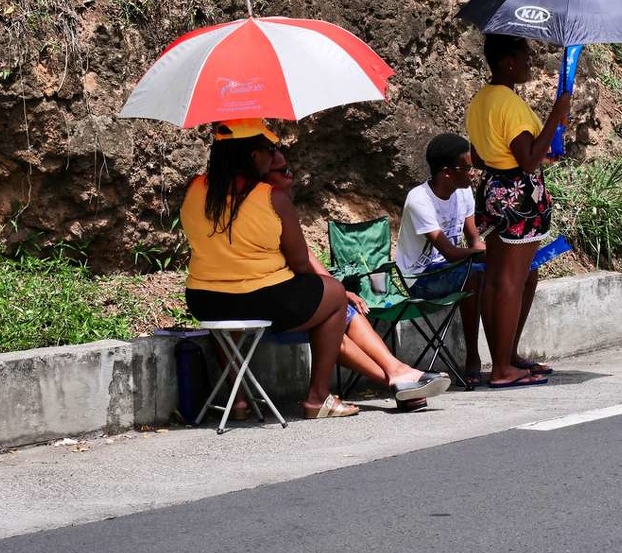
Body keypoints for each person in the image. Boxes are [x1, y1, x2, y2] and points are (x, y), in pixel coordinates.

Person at [180, 118, 358, 420]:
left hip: (205, 300)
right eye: (269, 149)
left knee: (228, 317)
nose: (273, 155)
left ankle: (238, 401)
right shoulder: (272, 197)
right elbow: (301, 263)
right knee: (336, 295)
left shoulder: (195, 188)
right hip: (264, 298)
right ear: (253, 156)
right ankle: (318, 398)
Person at [265, 149, 450, 411]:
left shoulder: (271, 206)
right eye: (283, 172)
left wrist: (339, 290)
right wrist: (337, 293)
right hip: (277, 302)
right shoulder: (268, 206)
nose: (290, 178)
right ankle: (396, 378)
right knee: (334, 318)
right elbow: (301, 261)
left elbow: (307, 257)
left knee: (342, 309)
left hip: (290, 298)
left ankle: (398, 376)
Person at [465, 34, 571, 389]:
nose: (530, 62)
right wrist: (556, 116)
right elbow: (527, 162)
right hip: (518, 198)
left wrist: (539, 149)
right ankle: (502, 369)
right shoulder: (509, 104)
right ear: (508, 62)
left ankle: (504, 359)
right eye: (525, 56)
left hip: (492, 190)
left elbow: (479, 156)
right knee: (511, 282)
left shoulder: (480, 100)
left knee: (498, 280)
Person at [395, 133, 486, 383]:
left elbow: (474, 240)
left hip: (450, 268)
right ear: (446, 172)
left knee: (500, 272)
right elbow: (449, 251)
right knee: (475, 276)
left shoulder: (464, 192)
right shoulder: (419, 199)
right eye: (466, 167)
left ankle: (505, 358)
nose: (473, 173)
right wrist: (483, 256)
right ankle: (473, 358)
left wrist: (492, 256)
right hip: (420, 278)